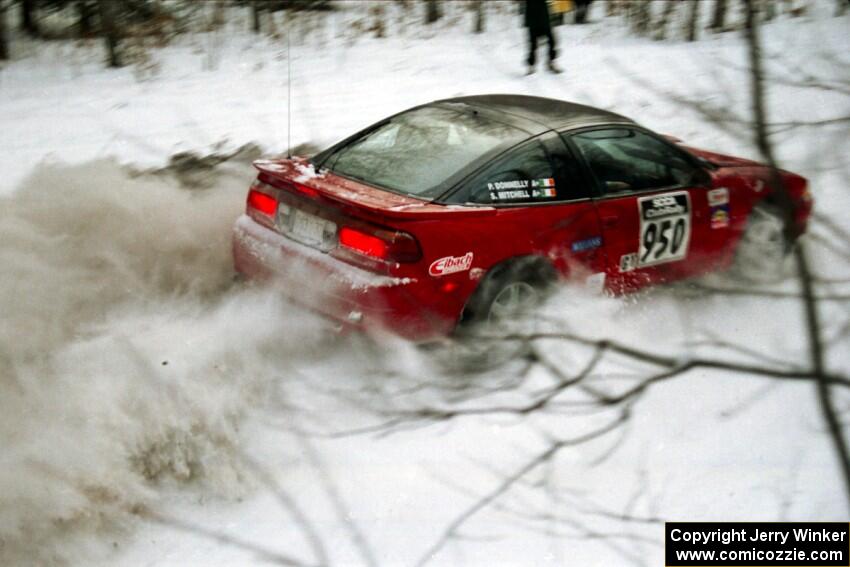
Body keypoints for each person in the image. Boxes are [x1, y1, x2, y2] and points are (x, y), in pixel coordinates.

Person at [524, 0, 561, 75]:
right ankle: (531, 66)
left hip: (544, 19)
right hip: (533, 19)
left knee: (552, 41)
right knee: (533, 44)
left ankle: (551, 63)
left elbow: (551, 2)